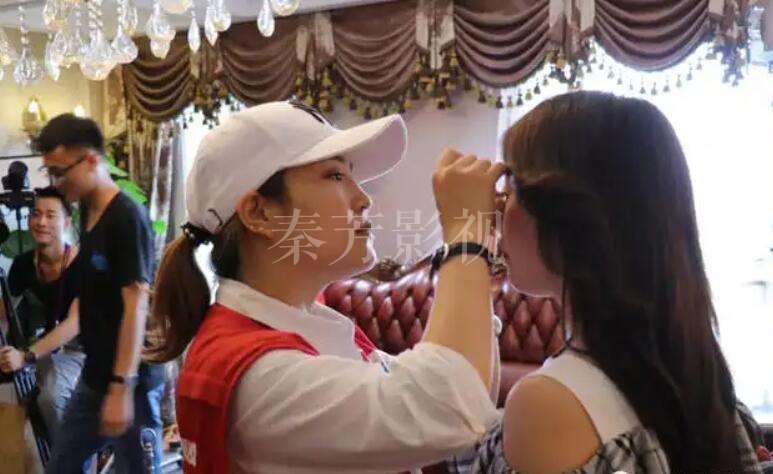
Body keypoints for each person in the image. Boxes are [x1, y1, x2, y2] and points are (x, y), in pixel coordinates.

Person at [146, 101, 506, 473]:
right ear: (259, 213)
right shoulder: (262, 373)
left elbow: (471, 400)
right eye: (335, 176)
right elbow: (450, 409)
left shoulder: (307, 324)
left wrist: (482, 247)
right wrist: (466, 236)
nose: (363, 199)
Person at [469, 91, 763, 473]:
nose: (496, 212)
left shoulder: (549, 403)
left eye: (508, 192)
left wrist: (464, 244)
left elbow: (450, 421)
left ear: (566, 220)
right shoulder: (699, 376)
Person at [32, 114, 166, 474]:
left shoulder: (127, 217)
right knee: (61, 466)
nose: (56, 183)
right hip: (95, 376)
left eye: (60, 172)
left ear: (91, 160)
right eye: (50, 173)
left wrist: (122, 387)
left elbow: (136, 306)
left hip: (132, 381)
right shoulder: (86, 210)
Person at [0, 187, 85, 444]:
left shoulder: (81, 264)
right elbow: (4, 313)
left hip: (82, 350)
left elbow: (74, 323)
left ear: (67, 222)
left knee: (51, 397)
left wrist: (25, 356)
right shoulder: (23, 264)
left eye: (50, 215)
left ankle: (68, 460)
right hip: (44, 348)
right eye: (36, 214)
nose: (41, 222)